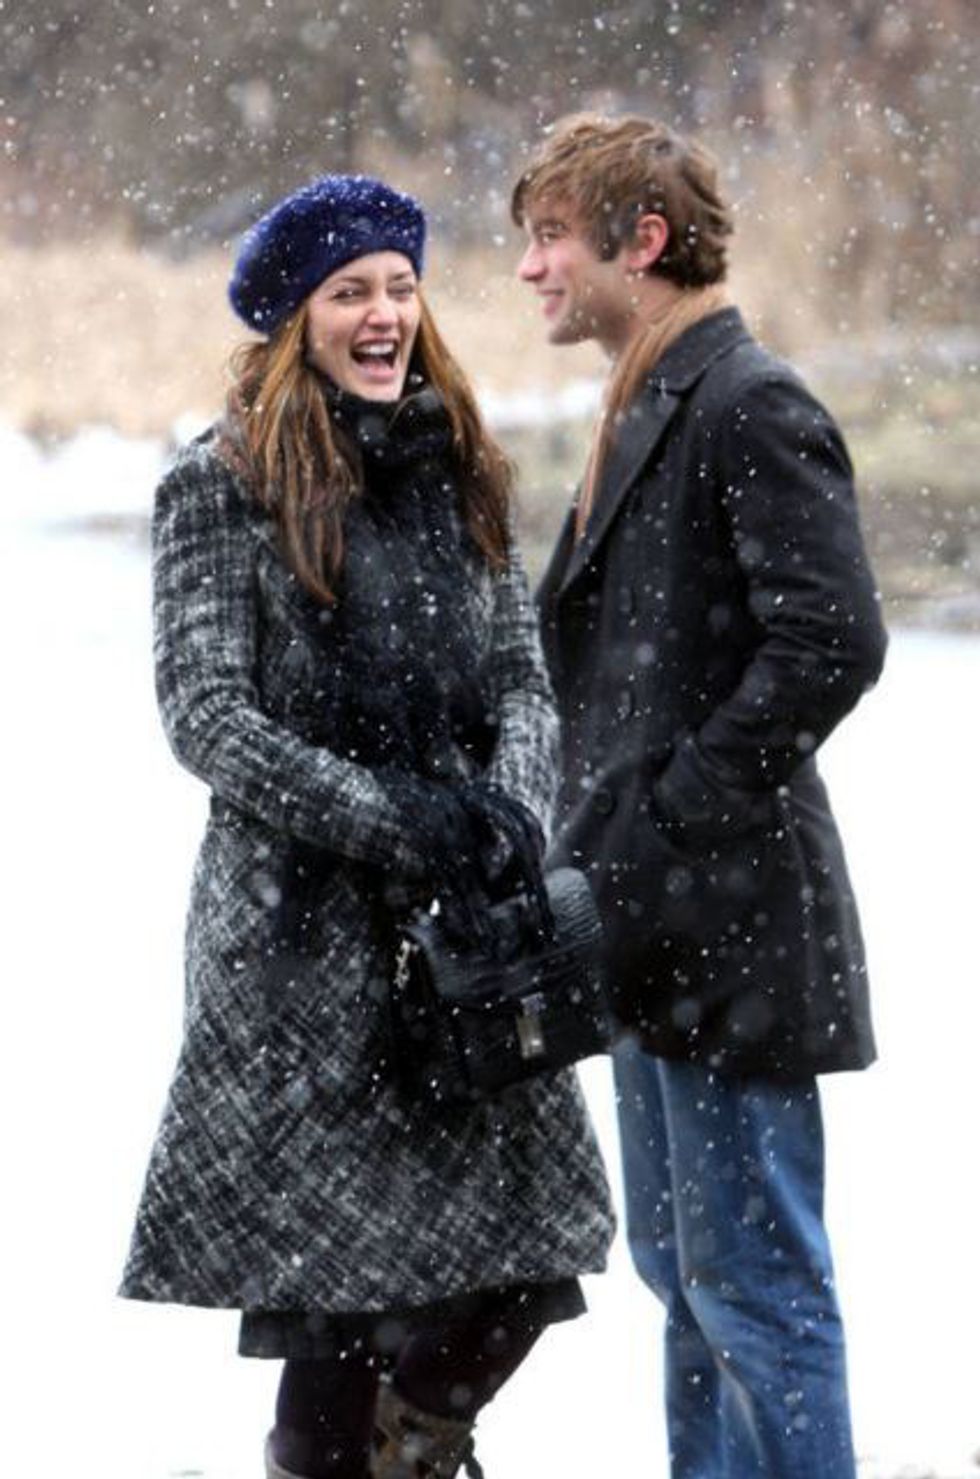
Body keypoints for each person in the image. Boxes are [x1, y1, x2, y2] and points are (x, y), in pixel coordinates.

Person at [119, 173, 614, 1479]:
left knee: (529, 1263)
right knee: (334, 1309)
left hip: (470, 942)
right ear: (298, 320)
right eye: (350, 293)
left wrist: (507, 812)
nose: (383, 313)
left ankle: (416, 1446)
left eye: (400, 287)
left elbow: (522, 679)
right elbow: (208, 718)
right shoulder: (218, 484)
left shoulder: (461, 465)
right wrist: (404, 821)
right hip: (301, 953)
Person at [511, 115, 888, 1477]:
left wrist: (668, 819)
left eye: (552, 237)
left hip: (736, 931)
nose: (530, 268)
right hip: (656, 931)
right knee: (685, 1281)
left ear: (645, 241)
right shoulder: (650, 398)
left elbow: (833, 641)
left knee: (754, 1290)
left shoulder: (747, 401)